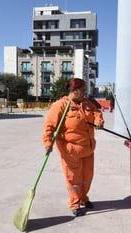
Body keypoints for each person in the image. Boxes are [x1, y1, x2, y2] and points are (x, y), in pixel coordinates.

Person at [42, 78, 104, 216]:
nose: (84, 93)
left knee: (87, 176)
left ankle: (83, 198)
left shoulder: (86, 103)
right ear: (74, 91)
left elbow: (96, 112)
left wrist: (99, 120)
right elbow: (49, 126)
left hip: (88, 148)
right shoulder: (60, 106)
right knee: (74, 178)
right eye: (82, 91)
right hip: (70, 151)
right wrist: (48, 142)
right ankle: (74, 203)